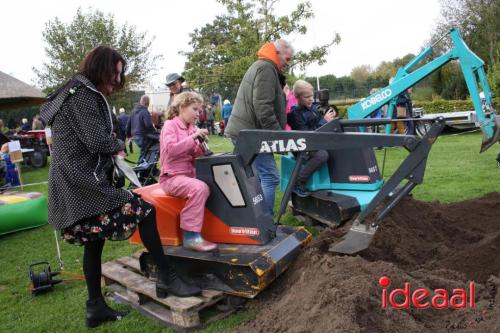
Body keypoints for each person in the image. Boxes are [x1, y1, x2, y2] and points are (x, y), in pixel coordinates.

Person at [40, 46, 200, 329]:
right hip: (81, 183)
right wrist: (118, 146)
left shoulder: (78, 92)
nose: (117, 80)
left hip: (74, 181)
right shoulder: (84, 95)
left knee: (94, 240)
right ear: (100, 68)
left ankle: (94, 308)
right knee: (145, 210)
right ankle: (167, 277)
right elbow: (97, 142)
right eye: (114, 73)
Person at [225, 39, 294, 215]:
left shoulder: (265, 66)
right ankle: (265, 220)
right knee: (270, 176)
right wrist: (279, 136)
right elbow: (263, 106)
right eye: (287, 58)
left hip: (249, 131)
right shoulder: (266, 68)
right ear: (277, 53)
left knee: (257, 177)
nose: (288, 63)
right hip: (251, 134)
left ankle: (255, 217)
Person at [159, 92, 217, 252]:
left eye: (200, 110)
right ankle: (191, 237)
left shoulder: (193, 129)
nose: (198, 114)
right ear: (182, 107)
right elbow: (171, 150)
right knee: (199, 188)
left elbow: (195, 155)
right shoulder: (170, 126)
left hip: (188, 175)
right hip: (171, 178)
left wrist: (202, 144)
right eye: (195, 109)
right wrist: (193, 138)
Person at [287, 80, 335, 196]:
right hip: (302, 145)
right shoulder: (295, 114)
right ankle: (298, 182)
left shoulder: (314, 108)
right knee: (322, 155)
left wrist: (329, 118)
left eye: (312, 96)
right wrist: (324, 121)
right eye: (306, 97)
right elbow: (307, 135)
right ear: (298, 97)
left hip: (316, 141)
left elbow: (318, 124)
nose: (311, 99)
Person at [126, 95, 156, 162]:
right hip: (142, 135)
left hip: (135, 136)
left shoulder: (133, 111)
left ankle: (144, 166)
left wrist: (128, 135)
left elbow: (128, 124)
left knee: (144, 152)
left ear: (140, 101)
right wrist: (155, 133)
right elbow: (148, 125)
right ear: (148, 103)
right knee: (144, 153)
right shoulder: (145, 112)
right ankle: (140, 168)